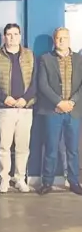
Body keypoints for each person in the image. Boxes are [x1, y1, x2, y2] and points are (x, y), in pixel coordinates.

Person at [37, 27, 82, 195]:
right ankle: (47, 182)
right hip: (52, 110)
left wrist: (71, 102)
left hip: (73, 111)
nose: (61, 41)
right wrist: (58, 102)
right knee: (50, 147)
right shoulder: (45, 59)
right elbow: (43, 84)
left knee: (73, 149)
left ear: (69, 39)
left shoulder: (79, 59)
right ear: (54, 40)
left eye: (64, 37)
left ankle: (74, 181)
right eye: (58, 38)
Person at [0, 23, 36, 193]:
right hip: (4, 109)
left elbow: (34, 81)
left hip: (25, 109)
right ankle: (4, 179)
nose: (12, 37)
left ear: (20, 36)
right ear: (4, 37)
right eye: (9, 34)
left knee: (23, 147)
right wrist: (5, 98)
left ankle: (19, 178)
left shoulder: (30, 55)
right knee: (3, 147)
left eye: (15, 34)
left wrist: (25, 99)